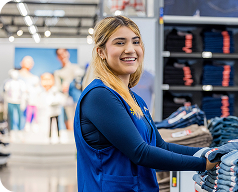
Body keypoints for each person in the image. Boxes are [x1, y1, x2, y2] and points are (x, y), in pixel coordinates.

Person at [74, 15, 217, 192]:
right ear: (101, 52)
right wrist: (203, 164)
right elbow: (141, 152)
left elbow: (160, 146)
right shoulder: (99, 96)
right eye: (120, 43)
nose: (130, 49)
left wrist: (209, 153)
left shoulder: (134, 99)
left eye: (135, 42)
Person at [54, 48, 82, 130]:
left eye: (64, 52)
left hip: (78, 100)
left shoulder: (77, 68)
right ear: (57, 57)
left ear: (68, 53)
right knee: (70, 125)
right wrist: (63, 87)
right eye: (59, 54)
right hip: (66, 101)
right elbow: (58, 87)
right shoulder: (58, 72)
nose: (62, 55)